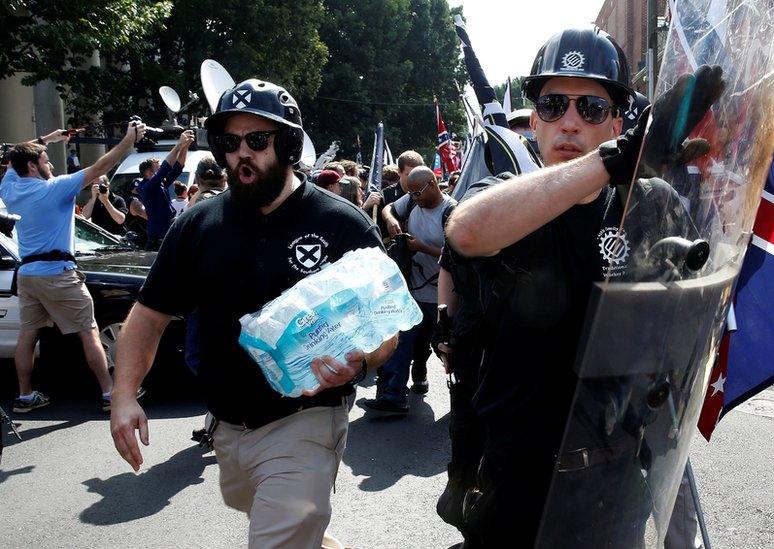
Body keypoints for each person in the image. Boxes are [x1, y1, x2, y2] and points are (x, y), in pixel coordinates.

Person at [445, 27, 721, 546]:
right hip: (512, 486)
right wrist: (611, 162)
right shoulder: (500, 195)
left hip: (611, 486)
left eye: (591, 109)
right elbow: (466, 230)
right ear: (533, 122)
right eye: (553, 105)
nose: (569, 121)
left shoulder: (650, 203)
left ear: (619, 122)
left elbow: (686, 325)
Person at [109, 79, 396, 548]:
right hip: (227, 427)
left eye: (257, 140)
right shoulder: (197, 225)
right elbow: (148, 315)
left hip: (307, 417)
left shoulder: (341, 224)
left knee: (277, 536)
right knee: (272, 518)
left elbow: (386, 322)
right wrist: (123, 394)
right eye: (229, 142)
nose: (241, 153)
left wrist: (362, 362)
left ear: (287, 145)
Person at [1, 120, 147, 413]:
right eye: (45, 160)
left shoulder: (10, 187)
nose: (51, 165)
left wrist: (47, 138)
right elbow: (99, 167)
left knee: (27, 336)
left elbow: (12, 156)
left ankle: (25, 396)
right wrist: (127, 141)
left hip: (27, 275)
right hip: (58, 273)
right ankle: (109, 392)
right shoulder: (55, 188)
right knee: (88, 331)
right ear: (32, 167)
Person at [365, 166, 455, 413]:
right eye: (410, 194)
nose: (413, 199)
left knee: (435, 345)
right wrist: (391, 219)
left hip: (439, 295)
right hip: (411, 290)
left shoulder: (451, 211)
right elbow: (388, 207)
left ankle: (432, 380)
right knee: (401, 342)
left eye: (417, 194)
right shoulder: (412, 199)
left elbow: (457, 255)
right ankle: (394, 396)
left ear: (433, 185)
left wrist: (423, 247)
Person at [138, 130, 194, 250]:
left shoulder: (159, 184)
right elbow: (165, 168)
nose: (160, 173)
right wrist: (179, 144)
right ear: (148, 173)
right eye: (156, 170)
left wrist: (185, 147)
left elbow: (177, 168)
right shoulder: (146, 188)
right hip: (157, 241)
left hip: (168, 233)